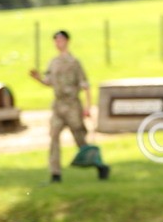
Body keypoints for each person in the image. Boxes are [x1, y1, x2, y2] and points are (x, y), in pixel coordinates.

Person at [29, 30, 109, 182]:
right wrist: (38, 78)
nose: (58, 43)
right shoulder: (53, 62)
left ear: (67, 41)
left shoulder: (74, 62)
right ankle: (55, 174)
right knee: (53, 137)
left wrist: (87, 107)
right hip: (58, 105)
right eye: (56, 41)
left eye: (60, 40)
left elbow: (85, 85)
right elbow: (49, 82)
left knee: (80, 140)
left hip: (73, 105)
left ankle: (100, 166)